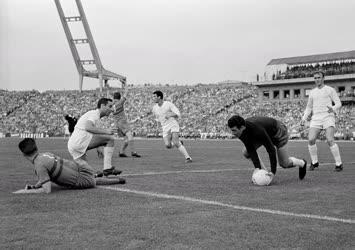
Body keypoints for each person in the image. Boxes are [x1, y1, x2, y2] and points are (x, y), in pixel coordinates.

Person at [14, 138, 125, 194]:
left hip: (81, 176)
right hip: (82, 167)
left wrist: (31, 191)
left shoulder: (39, 166)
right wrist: (36, 186)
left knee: (93, 182)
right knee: (91, 178)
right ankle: (99, 174)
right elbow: (44, 178)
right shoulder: (45, 154)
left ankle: (117, 180)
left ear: (24, 154)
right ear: (36, 148)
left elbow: (47, 190)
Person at [227, 115, 307, 181]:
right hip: (266, 132)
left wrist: (273, 172)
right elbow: (251, 149)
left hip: (279, 132)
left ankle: (302, 163)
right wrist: (257, 168)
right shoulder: (241, 131)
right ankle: (263, 174)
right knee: (246, 152)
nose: (232, 133)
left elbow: (271, 150)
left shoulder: (257, 130)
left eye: (234, 130)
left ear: (242, 128)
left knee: (284, 163)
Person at [301, 71, 343, 171]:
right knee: (311, 140)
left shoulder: (330, 90)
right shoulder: (312, 92)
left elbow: (339, 103)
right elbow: (309, 107)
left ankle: (339, 164)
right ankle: (315, 162)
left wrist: (332, 108)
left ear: (323, 78)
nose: (317, 80)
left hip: (328, 117)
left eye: (319, 77)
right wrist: (304, 118)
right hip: (316, 118)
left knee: (329, 139)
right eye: (315, 78)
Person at [67, 98, 121, 176]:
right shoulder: (95, 114)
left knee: (87, 173)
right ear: (102, 106)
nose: (112, 109)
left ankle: (91, 174)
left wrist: (98, 148)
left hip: (72, 145)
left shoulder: (94, 115)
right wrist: (107, 131)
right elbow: (88, 127)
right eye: (110, 106)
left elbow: (91, 131)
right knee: (110, 139)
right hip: (80, 141)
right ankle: (107, 169)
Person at [148, 90, 192, 163]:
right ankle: (179, 142)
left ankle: (188, 158)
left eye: (154, 96)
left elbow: (178, 113)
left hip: (173, 124)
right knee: (168, 145)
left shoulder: (168, 104)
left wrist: (171, 114)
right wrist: (157, 125)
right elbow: (158, 118)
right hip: (165, 127)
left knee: (175, 141)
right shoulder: (154, 108)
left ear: (159, 97)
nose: (153, 98)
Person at [112, 90, 141, 158]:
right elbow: (125, 96)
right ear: (119, 97)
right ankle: (133, 151)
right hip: (123, 122)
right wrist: (127, 89)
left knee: (126, 140)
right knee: (130, 136)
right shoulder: (120, 103)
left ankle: (121, 152)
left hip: (117, 124)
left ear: (114, 98)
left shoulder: (112, 105)